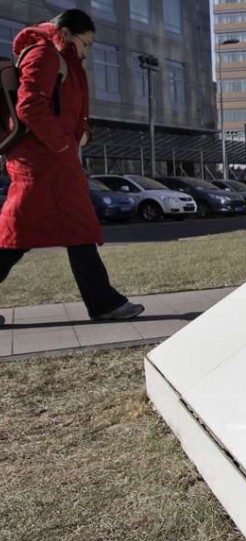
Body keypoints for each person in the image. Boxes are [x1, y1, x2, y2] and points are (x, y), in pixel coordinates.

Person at [0, 9, 143, 325]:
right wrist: (64, 144)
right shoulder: (44, 54)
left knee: (74, 230)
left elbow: (64, 109)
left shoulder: (57, 56)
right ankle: (104, 304)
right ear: (65, 33)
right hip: (42, 164)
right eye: (85, 43)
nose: (86, 50)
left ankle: (105, 303)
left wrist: (80, 134)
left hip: (51, 163)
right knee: (19, 235)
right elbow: (29, 107)